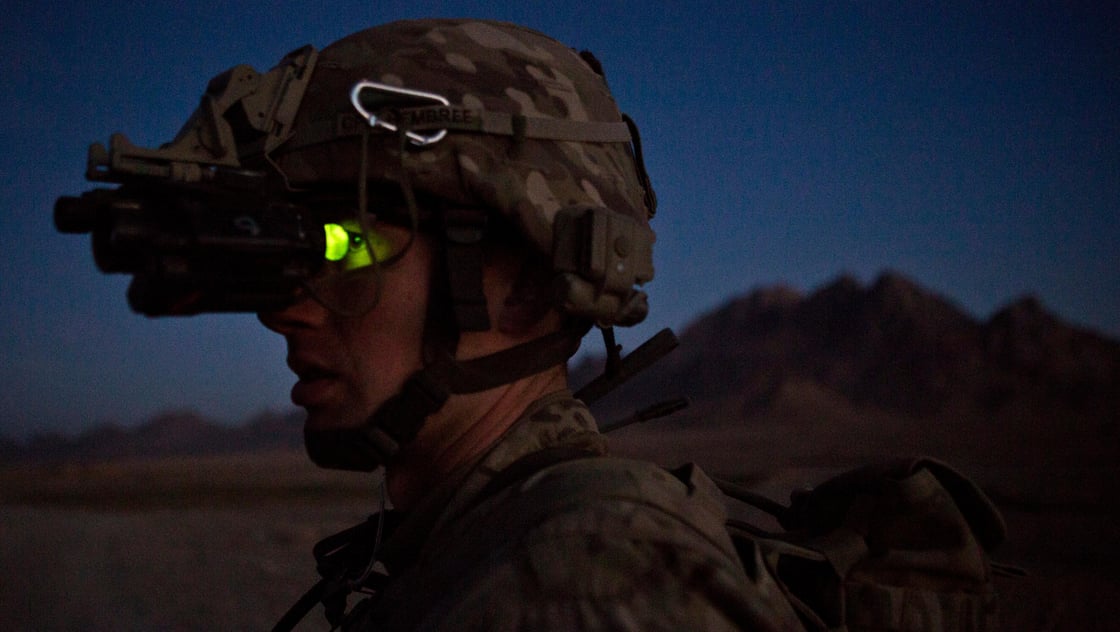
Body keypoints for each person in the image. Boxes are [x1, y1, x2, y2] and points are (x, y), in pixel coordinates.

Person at [248, 18, 804, 631]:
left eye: (350, 245)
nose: (286, 310)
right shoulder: (481, 549)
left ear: (526, 287)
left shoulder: (588, 584)